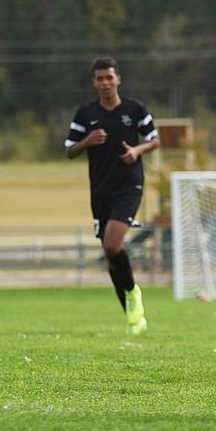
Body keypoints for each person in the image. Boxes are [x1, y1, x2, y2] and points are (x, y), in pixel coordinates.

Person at [65, 56, 160, 335]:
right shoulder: (86, 114)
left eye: (110, 77)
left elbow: (154, 139)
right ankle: (134, 320)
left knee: (111, 245)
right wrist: (87, 141)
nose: (105, 83)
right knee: (112, 257)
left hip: (129, 186)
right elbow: (69, 150)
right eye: (100, 78)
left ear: (118, 79)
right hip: (100, 191)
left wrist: (136, 151)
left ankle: (132, 293)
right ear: (94, 82)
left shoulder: (135, 108)